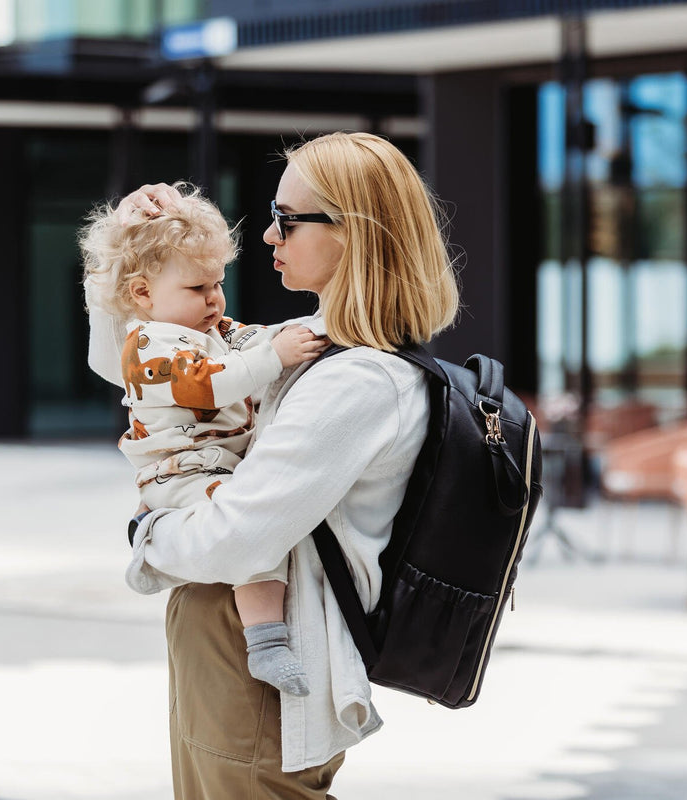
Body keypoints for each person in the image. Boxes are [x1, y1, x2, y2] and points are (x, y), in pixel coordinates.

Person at [112, 132, 459, 799]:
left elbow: (234, 538)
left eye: (287, 219)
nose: (270, 236)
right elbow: (142, 370)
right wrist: (135, 259)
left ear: (353, 234)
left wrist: (147, 537)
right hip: (241, 646)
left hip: (255, 664)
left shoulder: (356, 380)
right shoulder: (322, 349)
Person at [81, 184, 328, 697]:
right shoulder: (148, 344)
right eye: (198, 289)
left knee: (257, 528)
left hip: (214, 466)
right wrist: (277, 355)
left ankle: (264, 634)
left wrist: (307, 332)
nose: (214, 299)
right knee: (251, 528)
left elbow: (254, 338)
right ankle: (265, 640)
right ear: (143, 295)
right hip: (180, 473)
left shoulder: (208, 328)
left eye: (218, 283)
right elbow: (211, 381)